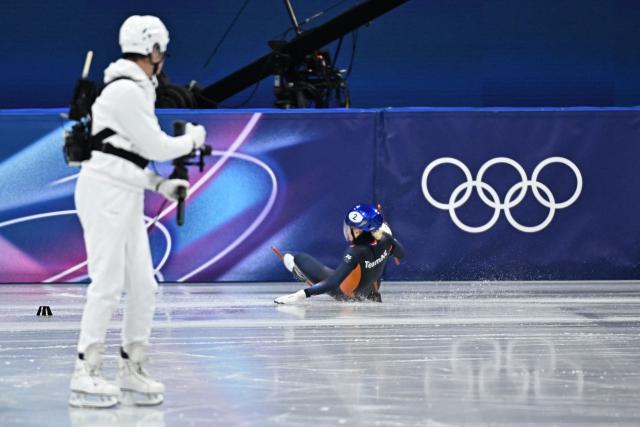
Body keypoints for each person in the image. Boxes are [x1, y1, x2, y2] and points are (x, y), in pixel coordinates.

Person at [69, 15, 207, 408]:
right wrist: (192, 138)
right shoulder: (127, 91)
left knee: (143, 286)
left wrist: (159, 185)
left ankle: (132, 368)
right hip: (105, 195)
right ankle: (86, 371)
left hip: (122, 191)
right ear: (154, 49)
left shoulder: (133, 88)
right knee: (109, 283)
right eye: (161, 50)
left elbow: (123, 154)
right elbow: (156, 147)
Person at [274, 204, 405, 304]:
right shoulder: (386, 239)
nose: (348, 231)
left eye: (352, 229)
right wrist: (391, 245)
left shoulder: (354, 252)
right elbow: (401, 253)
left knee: (296, 257)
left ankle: (301, 273)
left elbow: (333, 282)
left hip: (347, 295)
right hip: (371, 293)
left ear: (361, 232)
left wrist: (302, 294)